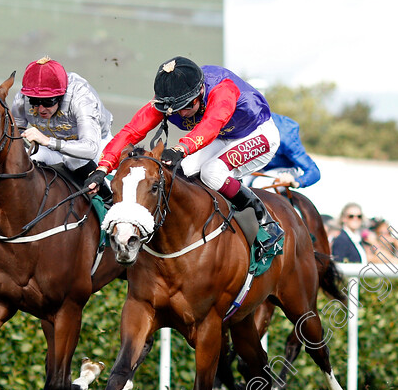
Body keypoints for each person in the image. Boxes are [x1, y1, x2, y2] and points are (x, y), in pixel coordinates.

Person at [84, 55, 284, 252]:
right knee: (181, 172)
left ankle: (264, 219)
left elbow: (211, 124)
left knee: (212, 173)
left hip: (257, 133)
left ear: (201, 91)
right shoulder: (168, 98)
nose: (182, 113)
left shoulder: (224, 89)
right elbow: (131, 131)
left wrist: (182, 148)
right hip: (220, 136)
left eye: (187, 106)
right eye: (175, 109)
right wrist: (103, 167)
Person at [10, 56, 114, 190]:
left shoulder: (82, 98)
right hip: (53, 146)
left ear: (61, 96)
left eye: (48, 102)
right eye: (35, 101)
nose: (41, 109)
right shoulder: (22, 98)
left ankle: (107, 200)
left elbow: (90, 149)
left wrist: (48, 141)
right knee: (24, 157)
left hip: (96, 145)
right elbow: (16, 135)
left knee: (74, 159)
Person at [246, 113, 320, 190]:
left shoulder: (286, 139)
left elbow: (314, 172)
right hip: (260, 166)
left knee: (259, 183)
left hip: (285, 169)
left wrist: (297, 181)